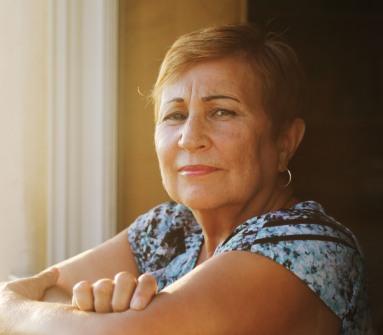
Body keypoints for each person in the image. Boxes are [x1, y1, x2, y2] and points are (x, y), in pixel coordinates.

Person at [0, 23, 375, 334]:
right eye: (175, 115)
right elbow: (54, 289)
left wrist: (10, 304)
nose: (190, 138)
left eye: (223, 112)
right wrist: (83, 317)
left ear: (285, 141)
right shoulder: (169, 226)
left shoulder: (311, 246)